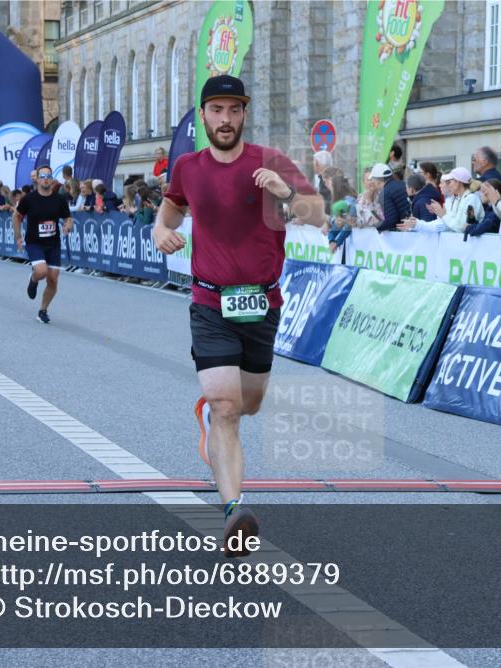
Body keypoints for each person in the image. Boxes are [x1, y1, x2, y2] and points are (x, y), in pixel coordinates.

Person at [152, 75, 323, 557]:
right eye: (216, 110)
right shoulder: (188, 167)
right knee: (226, 407)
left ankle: (216, 423)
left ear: (245, 113)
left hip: (262, 304)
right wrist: (159, 231)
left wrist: (285, 193)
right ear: (203, 115)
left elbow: (317, 215)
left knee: (249, 404)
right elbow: (170, 211)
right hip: (210, 302)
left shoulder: (271, 161)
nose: (225, 120)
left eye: (233, 110)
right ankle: (233, 510)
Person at [13, 166, 74, 324]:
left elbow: (68, 218)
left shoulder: (59, 200)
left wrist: (68, 225)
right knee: (41, 271)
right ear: (37, 179)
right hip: (34, 242)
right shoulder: (29, 199)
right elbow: (16, 216)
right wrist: (18, 237)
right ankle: (33, 279)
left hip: (53, 244)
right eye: (42, 176)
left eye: (48, 176)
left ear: (52, 179)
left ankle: (43, 311)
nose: (45, 179)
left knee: (53, 279)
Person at [401, 167, 484, 233]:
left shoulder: (472, 199)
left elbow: (462, 228)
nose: (448, 185)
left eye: (450, 182)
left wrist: (443, 215)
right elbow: (444, 225)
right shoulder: (455, 199)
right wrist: (417, 224)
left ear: (459, 183)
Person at [376, 160, 411, 232]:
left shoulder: (385, 192)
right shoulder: (402, 184)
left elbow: (391, 220)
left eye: (374, 180)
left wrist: (376, 228)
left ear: (378, 180)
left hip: (404, 231)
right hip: (413, 226)